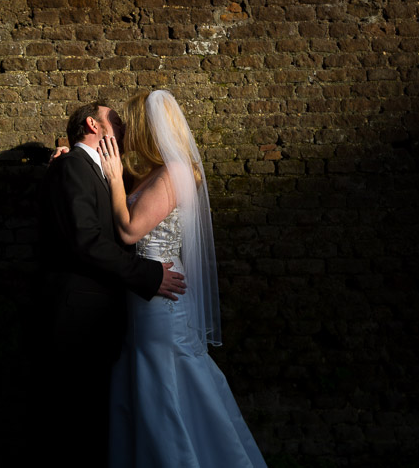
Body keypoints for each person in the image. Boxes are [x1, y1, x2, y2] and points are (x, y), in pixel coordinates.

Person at [98, 90, 267, 468]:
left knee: (165, 385)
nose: (124, 134)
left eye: (130, 126)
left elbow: (128, 230)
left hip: (160, 298)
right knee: (154, 381)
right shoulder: (156, 172)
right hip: (147, 293)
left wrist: (111, 178)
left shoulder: (174, 173)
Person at [38, 101, 187, 466]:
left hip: (107, 314)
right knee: (81, 421)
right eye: (115, 121)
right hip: (80, 317)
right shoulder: (74, 166)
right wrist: (148, 276)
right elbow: (87, 240)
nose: (123, 127)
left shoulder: (106, 168)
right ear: (93, 124)